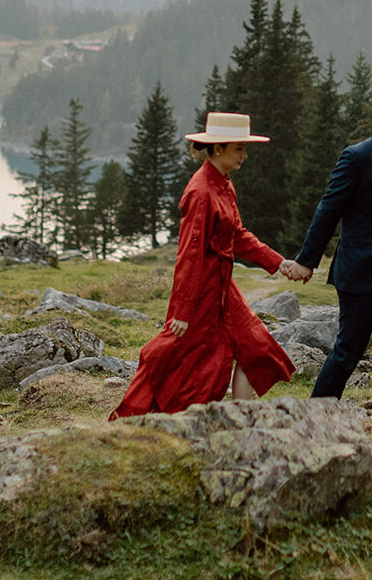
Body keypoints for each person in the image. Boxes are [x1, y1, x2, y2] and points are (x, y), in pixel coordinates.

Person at [110, 112, 297, 418]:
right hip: (201, 294)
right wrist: (183, 311)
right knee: (181, 357)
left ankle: (240, 420)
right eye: (239, 148)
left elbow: (237, 235)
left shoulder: (223, 183)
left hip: (223, 288)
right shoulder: (200, 192)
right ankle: (137, 417)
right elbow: (189, 255)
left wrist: (278, 262)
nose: (245, 156)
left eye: (244, 148)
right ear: (218, 148)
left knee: (256, 348)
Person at [282, 87, 372, 448]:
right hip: (361, 274)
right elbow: (328, 210)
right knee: (349, 349)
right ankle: (313, 421)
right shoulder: (357, 157)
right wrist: (306, 261)